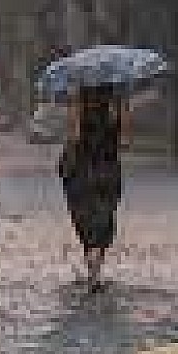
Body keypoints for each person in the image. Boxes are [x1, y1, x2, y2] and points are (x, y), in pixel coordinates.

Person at [59, 83, 126, 289]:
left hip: (84, 176)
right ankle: (96, 270)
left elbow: (73, 143)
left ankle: (93, 272)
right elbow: (118, 143)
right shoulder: (114, 113)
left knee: (86, 225)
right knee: (103, 223)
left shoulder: (80, 115)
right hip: (108, 176)